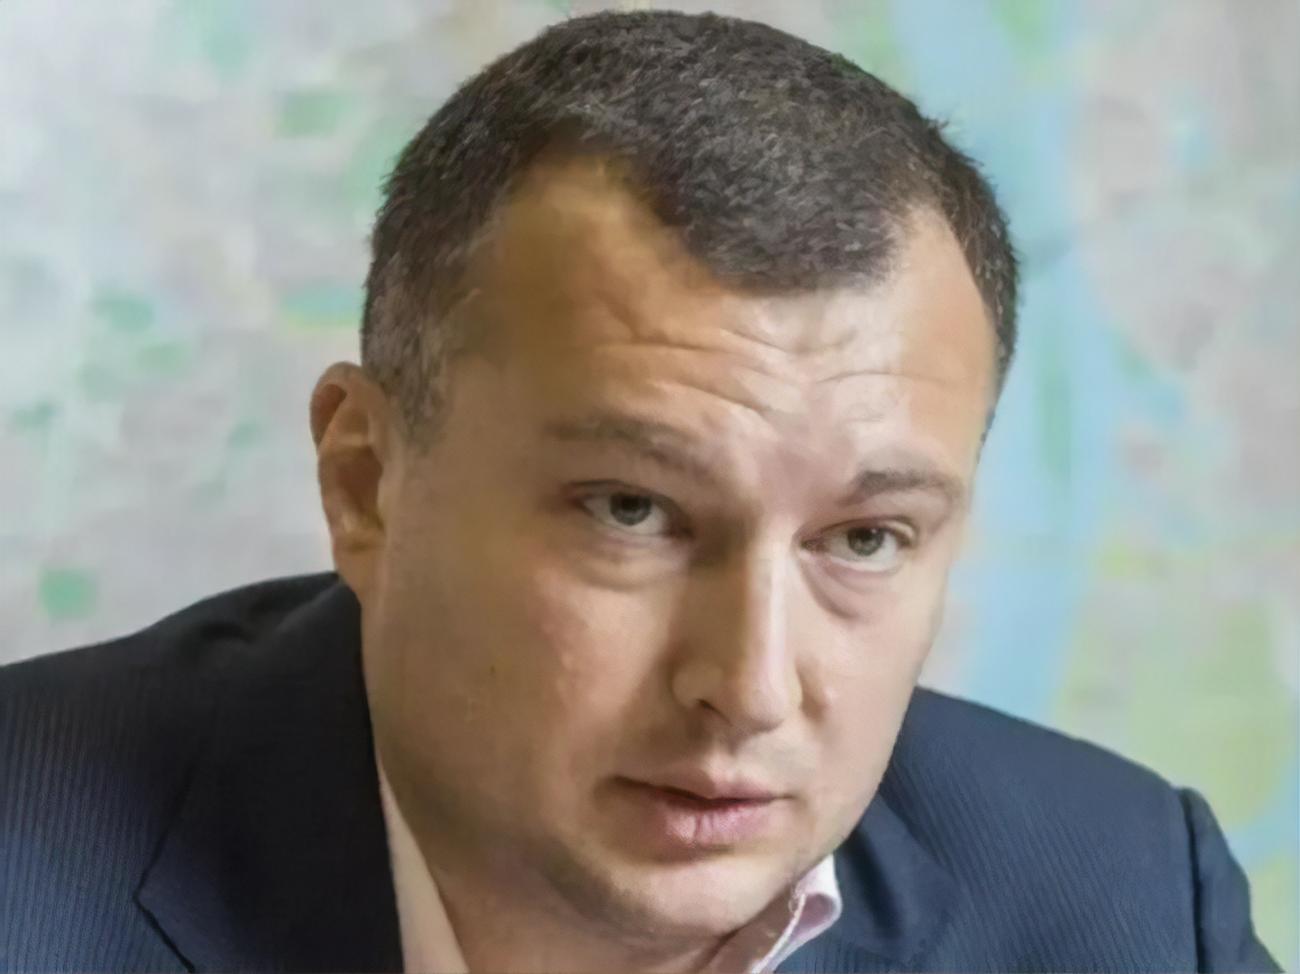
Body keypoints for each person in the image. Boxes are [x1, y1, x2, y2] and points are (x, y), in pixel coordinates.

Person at [0, 10, 1279, 973]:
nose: (750, 687)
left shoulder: (1124, 905)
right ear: (366, 482)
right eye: (633, 511)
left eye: (864, 536)